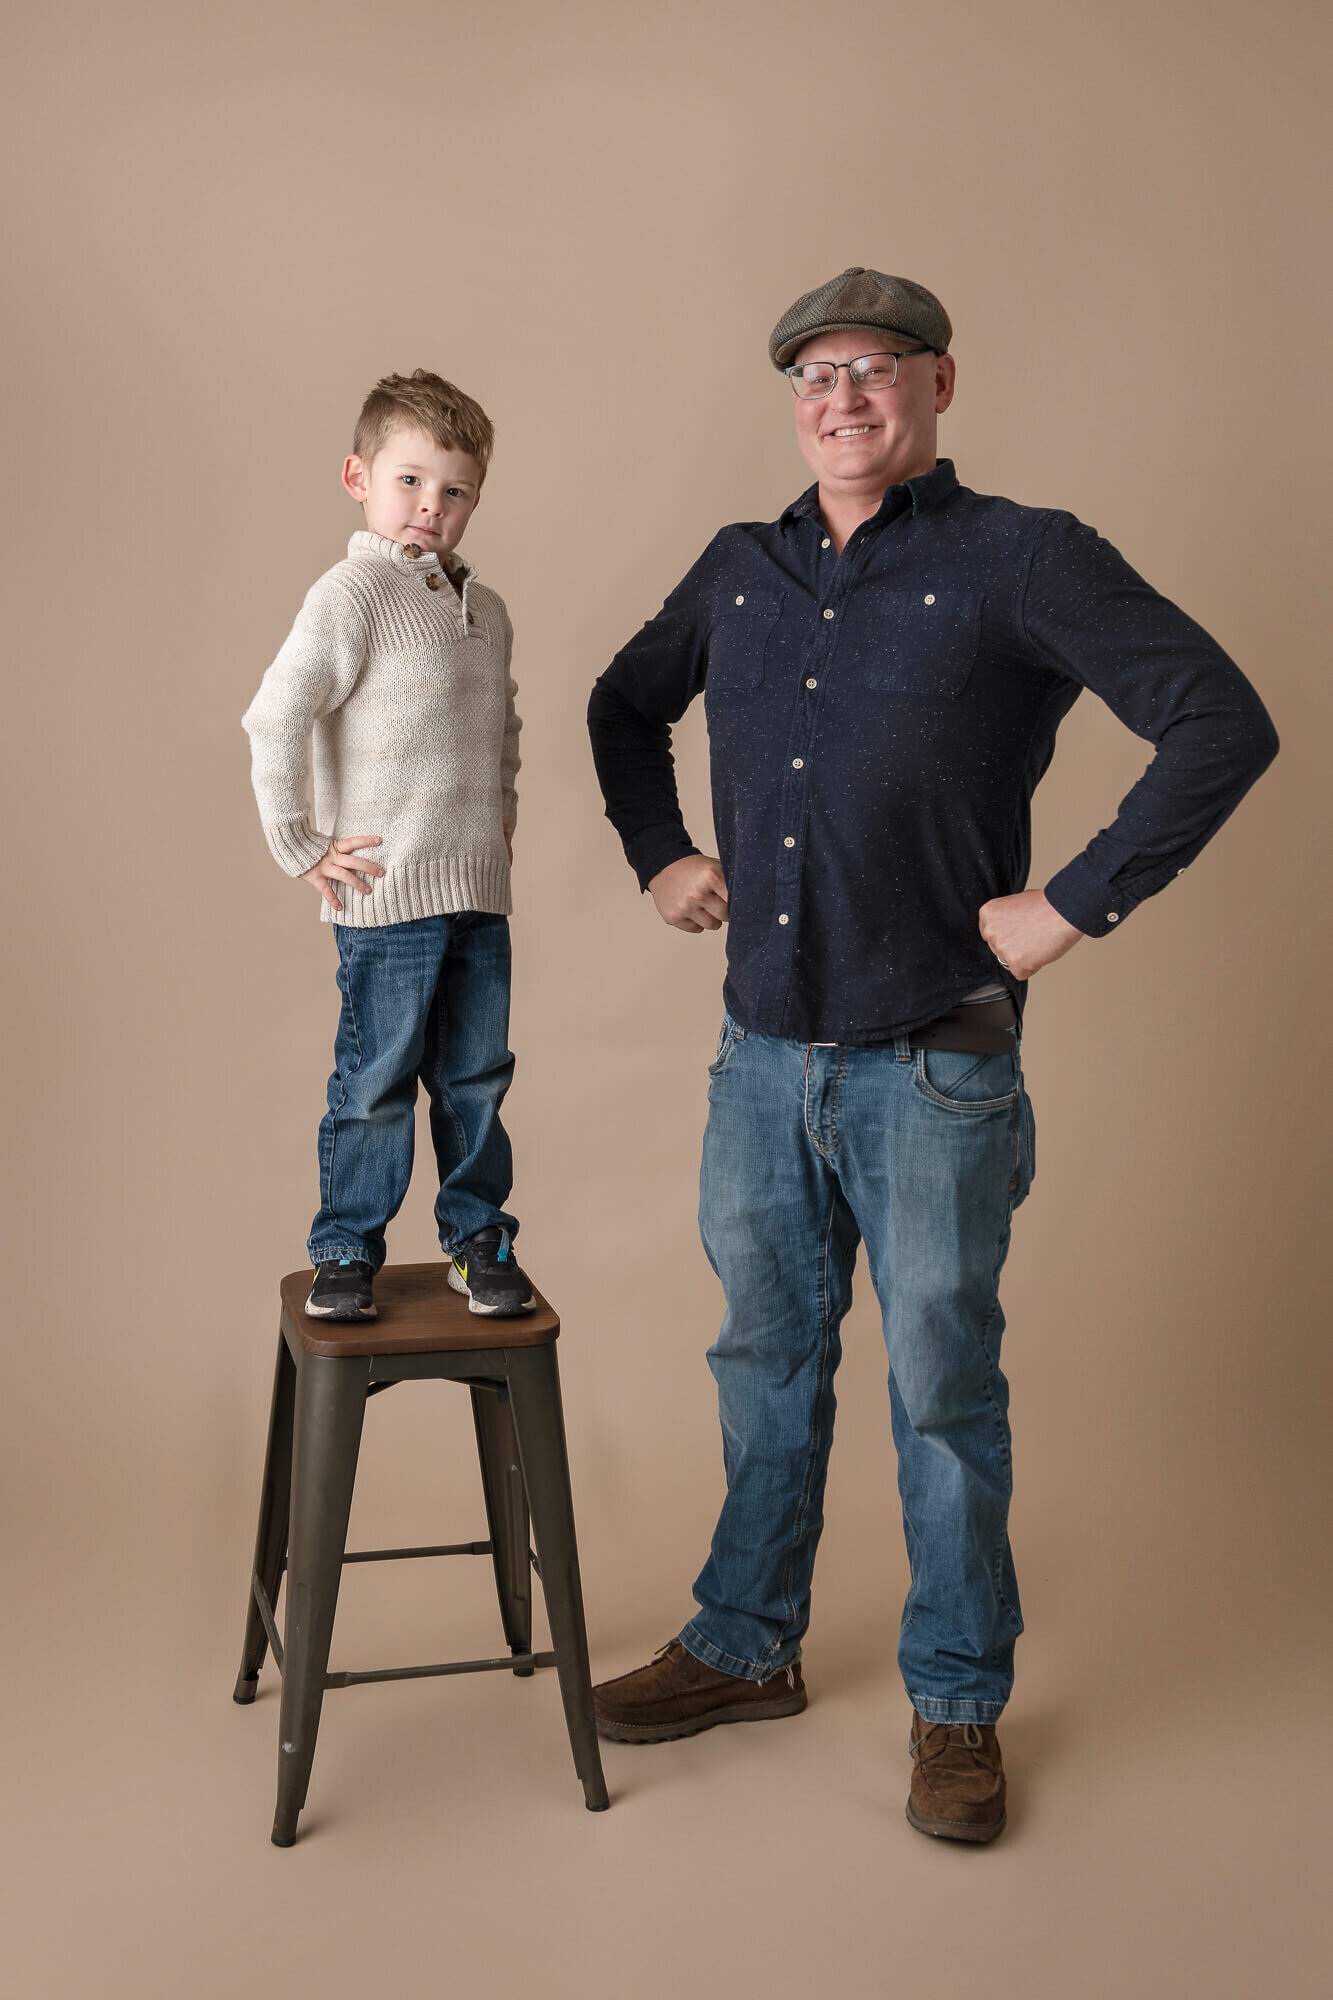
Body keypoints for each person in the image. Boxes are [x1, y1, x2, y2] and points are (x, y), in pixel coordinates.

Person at [586, 267, 1278, 1841]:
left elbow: (1219, 720)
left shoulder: (1022, 557)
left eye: (875, 370)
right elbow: (622, 709)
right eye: (815, 376)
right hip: (760, 1058)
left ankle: (957, 1704)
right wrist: (657, 852)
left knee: (941, 1394)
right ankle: (745, 1643)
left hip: (933, 1063)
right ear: (793, 402)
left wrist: (1075, 907)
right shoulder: (739, 569)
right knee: (762, 1361)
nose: (843, 398)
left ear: (939, 385)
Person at [242, 368, 535, 1321]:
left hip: (475, 890)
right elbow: (273, 719)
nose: (430, 507)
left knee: (475, 1077)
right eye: (409, 481)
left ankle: (477, 1240)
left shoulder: (483, 611)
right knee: (375, 1082)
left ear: (474, 501)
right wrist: (300, 844)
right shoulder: (351, 593)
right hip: (384, 896)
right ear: (357, 477)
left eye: (454, 491)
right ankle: (344, 1252)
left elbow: (502, 730)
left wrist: (500, 821)